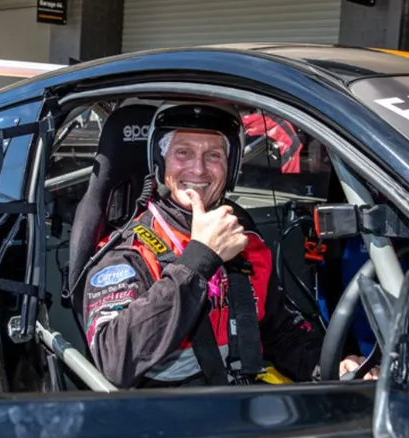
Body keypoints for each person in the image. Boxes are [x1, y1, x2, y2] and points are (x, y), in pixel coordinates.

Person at [80, 102, 375, 389]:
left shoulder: (244, 237)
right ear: (161, 162)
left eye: (214, 155)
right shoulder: (130, 251)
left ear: (230, 166)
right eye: (183, 152)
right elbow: (115, 359)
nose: (198, 169)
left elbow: (280, 332)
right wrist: (199, 260)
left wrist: (333, 366)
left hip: (244, 403)